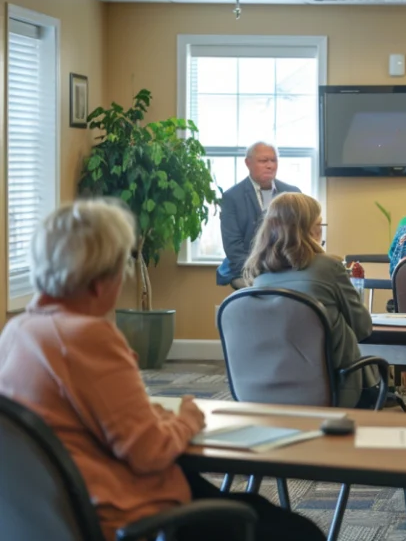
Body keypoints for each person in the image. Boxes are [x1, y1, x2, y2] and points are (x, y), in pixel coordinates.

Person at [0, 199, 325, 541]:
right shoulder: (86, 337)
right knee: (298, 532)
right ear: (100, 279)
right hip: (127, 517)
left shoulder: (17, 332)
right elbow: (148, 452)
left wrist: (156, 417)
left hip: (57, 517)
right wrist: (187, 417)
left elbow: (101, 420)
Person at [243, 193, 376, 408]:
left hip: (267, 391)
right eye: (318, 224)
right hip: (335, 390)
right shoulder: (329, 268)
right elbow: (363, 329)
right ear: (307, 229)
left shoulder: (258, 278)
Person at [217, 141, 302, 290]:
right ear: (248, 163)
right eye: (263, 161)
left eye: (273, 160)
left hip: (286, 267)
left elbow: (299, 237)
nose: (270, 165)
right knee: (262, 291)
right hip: (246, 268)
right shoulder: (231, 197)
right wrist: (260, 272)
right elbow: (233, 247)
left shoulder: (293, 194)